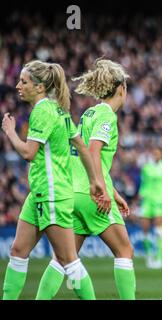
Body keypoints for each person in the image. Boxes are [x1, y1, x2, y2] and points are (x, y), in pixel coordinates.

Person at [1, 60, 106, 300]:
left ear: (39, 87)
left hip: (52, 193)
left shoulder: (43, 111)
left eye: (23, 81)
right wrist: (94, 181)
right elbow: (80, 144)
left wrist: (9, 132)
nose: (18, 85)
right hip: (39, 193)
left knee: (69, 260)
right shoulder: (59, 110)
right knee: (18, 250)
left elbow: (29, 153)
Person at [38, 59, 136, 299]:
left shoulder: (88, 113)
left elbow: (90, 159)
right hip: (92, 195)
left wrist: (114, 193)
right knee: (125, 251)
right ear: (121, 88)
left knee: (63, 258)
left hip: (74, 193)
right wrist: (102, 191)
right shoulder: (106, 115)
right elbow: (93, 151)